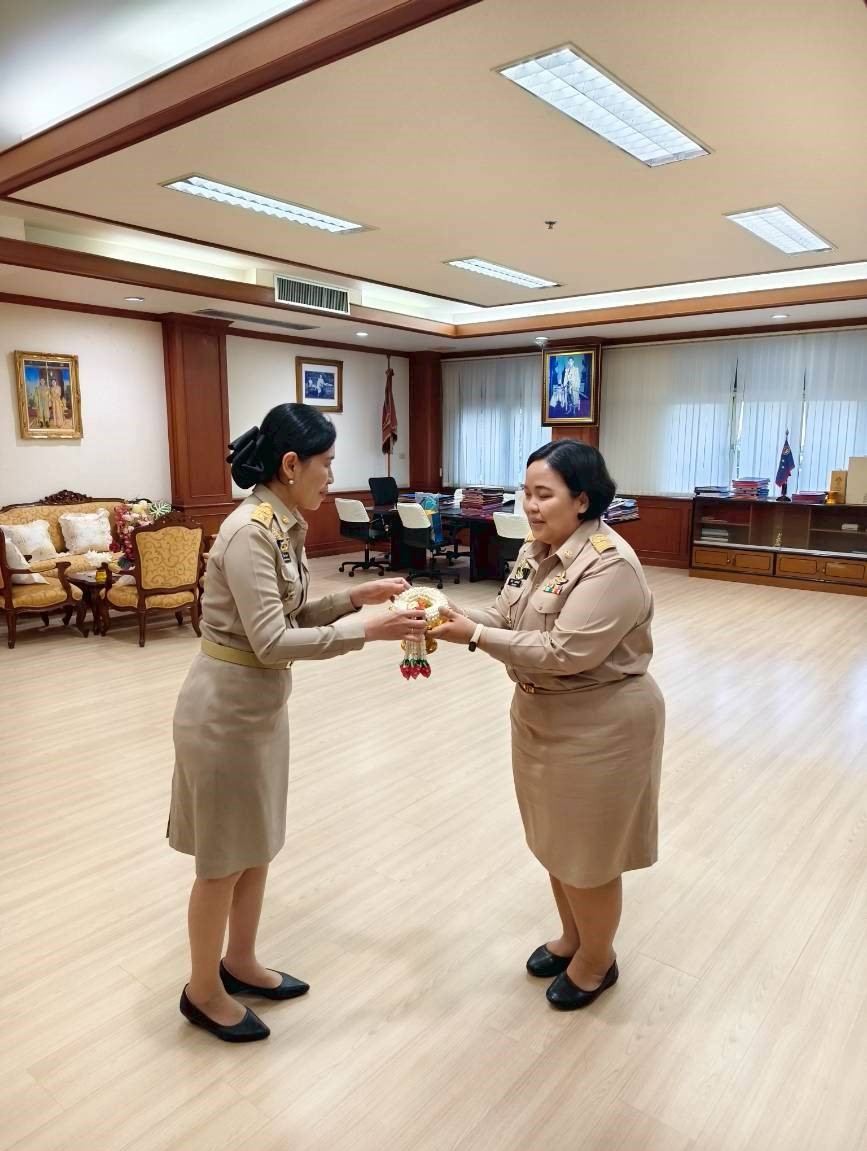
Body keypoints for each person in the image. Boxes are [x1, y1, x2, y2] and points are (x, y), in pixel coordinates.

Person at [169, 402, 426, 1042]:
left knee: (255, 844)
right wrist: (364, 630)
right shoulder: (251, 530)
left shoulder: (284, 524)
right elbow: (271, 640)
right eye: (326, 464)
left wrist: (354, 597)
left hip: (257, 709)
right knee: (221, 861)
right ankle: (202, 991)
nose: (331, 478)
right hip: (224, 712)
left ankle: (240, 960)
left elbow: (294, 608)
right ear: (290, 465)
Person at [431, 441, 664, 1011]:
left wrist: (476, 637)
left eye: (544, 494)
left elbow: (565, 652)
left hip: (599, 723)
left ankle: (596, 960)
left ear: (582, 499)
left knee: (589, 852)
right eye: (526, 492)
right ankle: (572, 938)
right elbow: (508, 616)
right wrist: (452, 613)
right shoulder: (538, 549)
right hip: (539, 714)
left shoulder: (609, 563)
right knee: (554, 839)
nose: (530, 506)